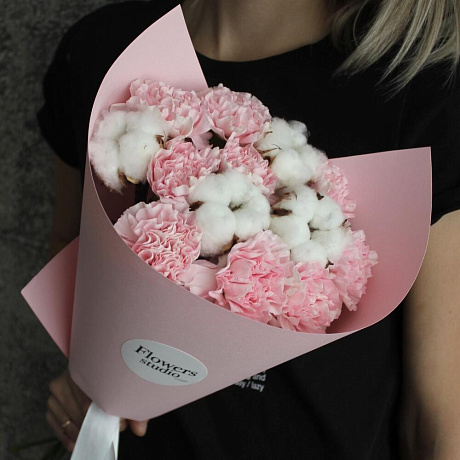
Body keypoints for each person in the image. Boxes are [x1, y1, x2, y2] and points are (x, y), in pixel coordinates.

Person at [39, 0, 460, 458]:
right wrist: (86, 372)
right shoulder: (104, 50)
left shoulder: (418, 90)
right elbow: (71, 252)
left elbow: (440, 421)